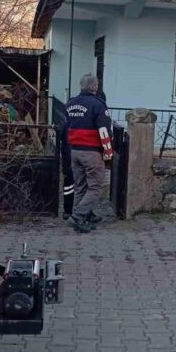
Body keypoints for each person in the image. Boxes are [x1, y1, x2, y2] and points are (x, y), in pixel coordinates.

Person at [65, 74, 113, 233]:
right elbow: (104, 132)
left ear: (81, 86)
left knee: (80, 187)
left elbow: (65, 127)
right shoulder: (98, 105)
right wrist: (108, 153)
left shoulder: (70, 104)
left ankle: (84, 215)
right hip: (91, 152)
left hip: (74, 151)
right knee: (94, 187)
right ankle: (78, 216)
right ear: (95, 87)